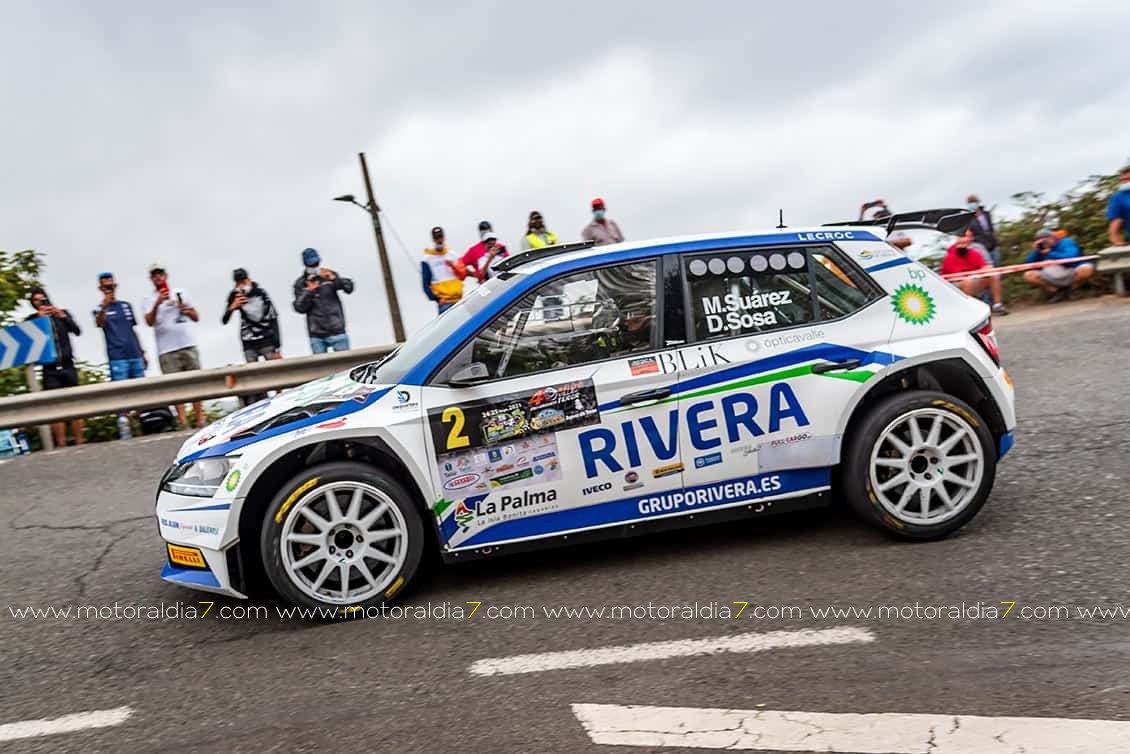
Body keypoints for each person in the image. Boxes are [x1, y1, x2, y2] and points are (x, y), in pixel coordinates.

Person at [142, 263, 205, 429]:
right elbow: (149, 322)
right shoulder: (148, 299)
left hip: (187, 343)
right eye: (155, 275)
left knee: (196, 384)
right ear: (151, 279)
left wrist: (186, 309)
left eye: (160, 274)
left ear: (166, 275)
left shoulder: (180, 292)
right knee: (176, 388)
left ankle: (200, 420)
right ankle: (183, 422)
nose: (158, 277)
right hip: (167, 349)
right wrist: (158, 303)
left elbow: (196, 316)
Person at [26, 287, 84, 446]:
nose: (41, 302)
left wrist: (62, 316)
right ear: (33, 303)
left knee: (75, 404)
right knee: (54, 406)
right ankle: (61, 444)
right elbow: (27, 340)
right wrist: (39, 320)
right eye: (37, 300)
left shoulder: (61, 313)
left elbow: (77, 330)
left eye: (42, 298)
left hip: (67, 364)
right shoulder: (32, 319)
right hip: (49, 368)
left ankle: (80, 441)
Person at [292, 247, 353, 353]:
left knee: (346, 366)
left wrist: (334, 278)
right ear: (305, 264)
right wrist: (309, 291)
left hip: (337, 330)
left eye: (315, 263)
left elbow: (349, 288)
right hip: (317, 336)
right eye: (311, 264)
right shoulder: (300, 283)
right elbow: (299, 308)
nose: (314, 266)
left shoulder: (329, 274)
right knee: (322, 368)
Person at [940, 230, 1009, 315]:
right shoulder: (949, 257)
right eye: (960, 244)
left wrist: (986, 269)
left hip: (973, 279)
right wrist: (979, 272)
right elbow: (960, 276)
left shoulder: (974, 253)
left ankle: (998, 305)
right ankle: (967, 310)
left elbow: (984, 266)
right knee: (968, 281)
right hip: (954, 285)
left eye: (965, 244)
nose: (962, 246)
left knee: (993, 276)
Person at [223, 268, 281, 362]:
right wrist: (232, 307)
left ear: (249, 280)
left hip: (266, 339)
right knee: (252, 374)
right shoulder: (234, 295)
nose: (241, 285)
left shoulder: (261, 293)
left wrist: (277, 347)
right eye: (238, 283)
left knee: (274, 371)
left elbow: (274, 319)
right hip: (248, 342)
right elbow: (224, 320)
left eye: (243, 281)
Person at [1022, 228, 1095, 303]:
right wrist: (1036, 251)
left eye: (1046, 239)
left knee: (1087, 269)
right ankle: (1058, 292)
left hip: (1072, 270)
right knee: (1028, 275)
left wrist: (1050, 253)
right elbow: (1029, 264)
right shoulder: (1040, 249)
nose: (1045, 242)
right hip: (1050, 275)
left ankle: (1072, 289)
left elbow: (1071, 256)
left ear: (1053, 237)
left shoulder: (1066, 242)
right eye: (1041, 240)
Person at [421, 226, 466, 314]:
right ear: (433, 239)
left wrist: (453, 266)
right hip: (445, 303)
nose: (439, 240)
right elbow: (425, 284)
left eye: (440, 237)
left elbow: (463, 275)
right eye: (437, 238)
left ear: (444, 237)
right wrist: (437, 299)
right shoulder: (427, 260)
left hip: (460, 300)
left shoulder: (454, 255)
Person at [965, 194, 1000, 266]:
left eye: (973, 202)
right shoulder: (968, 218)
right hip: (981, 246)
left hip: (993, 244)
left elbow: (992, 229)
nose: (972, 205)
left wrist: (996, 243)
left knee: (997, 265)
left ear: (977, 203)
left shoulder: (986, 214)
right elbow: (969, 233)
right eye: (970, 203)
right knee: (988, 266)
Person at [1107, 164, 1130, 246]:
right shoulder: (1118, 197)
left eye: (1128, 179)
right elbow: (1116, 220)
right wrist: (1116, 240)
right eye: (1122, 180)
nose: (1125, 182)